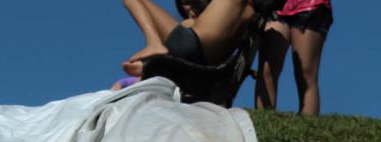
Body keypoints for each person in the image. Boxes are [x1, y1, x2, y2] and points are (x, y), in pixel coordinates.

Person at [119, 0, 277, 78]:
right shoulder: (248, 14)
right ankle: (153, 62)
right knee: (188, 26)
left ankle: (153, 44)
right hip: (205, 59)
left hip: (192, 45)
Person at [255, 0, 330, 114]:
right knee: (267, 69)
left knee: (305, 74)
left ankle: (307, 124)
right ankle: (263, 121)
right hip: (275, 5)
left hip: (310, 5)